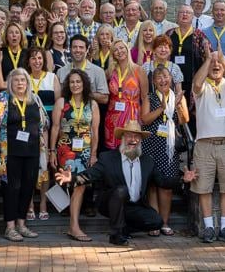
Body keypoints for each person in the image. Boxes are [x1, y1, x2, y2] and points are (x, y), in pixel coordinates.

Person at [54, 120, 197, 245]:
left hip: (133, 206)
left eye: (136, 136)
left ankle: (123, 228)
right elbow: (90, 175)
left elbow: (162, 181)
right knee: (121, 190)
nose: (133, 140)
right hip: (111, 203)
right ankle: (116, 235)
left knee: (156, 221)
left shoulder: (147, 161)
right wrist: (72, 178)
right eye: (129, 135)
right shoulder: (107, 158)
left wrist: (182, 179)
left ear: (140, 140)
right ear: (122, 138)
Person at [0, 68, 49, 241]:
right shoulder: (4, 97)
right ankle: (10, 227)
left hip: (32, 151)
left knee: (28, 188)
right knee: (11, 189)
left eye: (23, 80)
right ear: (10, 83)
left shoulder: (35, 99)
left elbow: (44, 125)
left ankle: (22, 225)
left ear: (27, 83)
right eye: (16, 80)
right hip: (10, 152)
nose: (20, 83)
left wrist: (46, 149)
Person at [191, 46, 225, 244]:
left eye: (219, 64)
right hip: (204, 144)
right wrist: (209, 59)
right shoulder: (202, 87)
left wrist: (223, 59)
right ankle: (209, 227)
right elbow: (196, 83)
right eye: (212, 64)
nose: (216, 66)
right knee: (203, 187)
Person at [50, 69, 101, 241]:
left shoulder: (92, 104)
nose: (75, 85)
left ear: (84, 83)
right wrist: (52, 151)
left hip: (85, 151)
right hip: (66, 151)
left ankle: (74, 226)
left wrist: (93, 154)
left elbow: (95, 132)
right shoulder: (61, 102)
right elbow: (55, 128)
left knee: (80, 185)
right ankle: (74, 226)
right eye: (72, 82)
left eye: (78, 81)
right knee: (75, 186)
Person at [140, 65, 188, 237]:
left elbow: (184, 120)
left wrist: (178, 106)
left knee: (166, 186)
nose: (163, 80)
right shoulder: (150, 97)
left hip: (169, 148)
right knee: (152, 186)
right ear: (154, 82)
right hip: (151, 145)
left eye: (165, 76)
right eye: (159, 78)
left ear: (171, 79)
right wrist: (162, 107)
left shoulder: (178, 97)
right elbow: (145, 119)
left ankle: (165, 222)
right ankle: (155, 223)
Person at [24, 46, 60, 220]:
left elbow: (59, 103)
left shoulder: (52, 77)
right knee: (29, 166)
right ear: (28, 61)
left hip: (48, 128)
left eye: (39, 58)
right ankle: (30, 204)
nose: (37, 61)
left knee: (44, 165)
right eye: (33, 58)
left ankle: (44, 203)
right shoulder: (24, 79)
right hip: (28, 128)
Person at [166, 5, 209, 128]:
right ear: (177, 16)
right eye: (182, 12)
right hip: (172, 83)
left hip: (193, 83)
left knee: (191, 116)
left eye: (188, 13)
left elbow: (208, 57)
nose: (184, 15)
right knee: (173, 113)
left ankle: (191, 139)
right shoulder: (169, 34)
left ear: (192, 16)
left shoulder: (199, 36)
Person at [104, 39, 148, 150]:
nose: (119, 51)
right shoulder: (110, 72)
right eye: (115, 50)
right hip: (113, 116)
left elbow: (145, 97)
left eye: (121, 48)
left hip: (132, 116)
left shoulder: (139, 70)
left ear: (127, 49)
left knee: (130, 149)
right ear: (113, 54)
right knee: (113, 151)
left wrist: (144, 118)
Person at [56, 34, 109, 105]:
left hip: (91, 111)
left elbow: (105, 99)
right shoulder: (61, 72)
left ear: (86, 50)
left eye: (81, 47)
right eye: (74, 47)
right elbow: (57, 97)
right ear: (70, 49)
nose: (78, 50)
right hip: (67, 111)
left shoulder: (98, 71)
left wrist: (84, 92)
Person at [0, 22, 28, 91]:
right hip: (4, 90)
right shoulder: (0, 51)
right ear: (6, 36)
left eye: (17, 32)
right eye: (11, 33)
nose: (14, 35)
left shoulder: (27, 53)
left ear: (21, 36)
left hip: (23, 90)